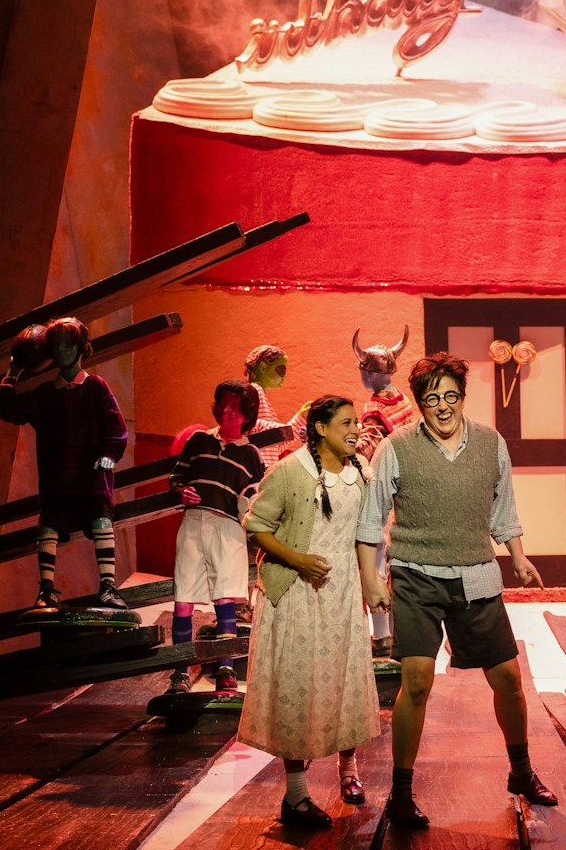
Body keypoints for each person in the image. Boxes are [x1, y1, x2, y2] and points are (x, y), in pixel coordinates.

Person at [357, 352, 556, 829]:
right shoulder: (397, 447)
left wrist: (519, 557)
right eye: (431, 399)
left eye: (450, 396)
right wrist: (370, 579)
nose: (442, 406)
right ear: (420, 403)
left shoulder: (491, 444)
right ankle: (401, 794)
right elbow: (370, 519)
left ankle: (521, 771)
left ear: (463, 397)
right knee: (418, 680)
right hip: (415, 574)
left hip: (476, 573)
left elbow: (503, 507)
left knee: (508, 678)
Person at [239, 395, 380, 829]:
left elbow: (364, 534)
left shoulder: (360, 472)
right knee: (299, 686)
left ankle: (349, 773)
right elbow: (256, 525)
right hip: (298, 596)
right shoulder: (288, 472)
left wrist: (369, 581)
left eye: (356, 422)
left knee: (344, 681)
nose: (355, 430)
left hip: (342, 595)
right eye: (345, 423)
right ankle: (296, 796)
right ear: (320, 428)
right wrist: (298, 560)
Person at [0, 316, 129, 611]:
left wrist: (110, 452)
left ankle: (107, 585)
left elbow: (115, 427)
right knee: (48, 528)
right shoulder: (45, 395)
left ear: (80, 348)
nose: (61, 352)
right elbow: (8, 409)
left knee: (101, 520)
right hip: (58, 481)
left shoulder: (96, 387)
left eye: (66, 345)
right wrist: (12, 374)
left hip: (91, 478)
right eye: (55, 346)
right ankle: (47, 588)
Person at [165, 381, 266, 695]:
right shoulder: (198, 441)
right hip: (194, 524)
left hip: (229, 530)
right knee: (183, 601)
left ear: (245, 414)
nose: (226, 411)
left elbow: (260, 496)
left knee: (225, 601)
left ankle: (225, 670)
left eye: (234, 407)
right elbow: (175, 477)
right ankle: (180, 672)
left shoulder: (251, 455)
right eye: (222, 404)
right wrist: (182, 490)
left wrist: (250, 507)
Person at [352, 326, 416, 658]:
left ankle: (381, 636)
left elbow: (366, 447)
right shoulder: (403, 400)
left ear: (371, 373)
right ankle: (389, 632)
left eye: (364, 370)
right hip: (404, 486)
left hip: (378, 487)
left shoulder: (375, 408)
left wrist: (343, 451)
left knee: (372, 558)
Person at [245, 344, 307, 466]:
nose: (284, 376)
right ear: (263, 368)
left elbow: (273, 446)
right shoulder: (255, 392)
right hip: (261, 469)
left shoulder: (258, 395)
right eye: (281, 370)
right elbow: (262, 439)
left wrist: (300, 417)